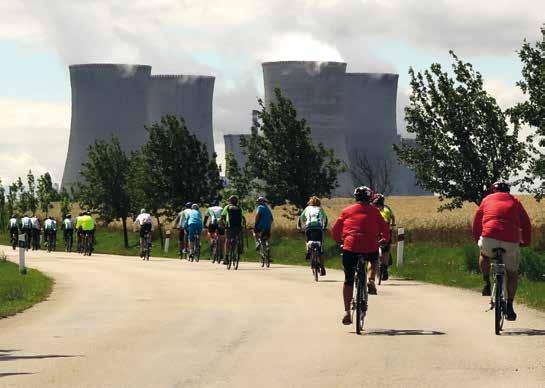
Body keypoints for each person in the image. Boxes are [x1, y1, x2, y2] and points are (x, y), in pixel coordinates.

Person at [472, 181, 531, 321]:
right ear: (508, 191)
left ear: (493, 190)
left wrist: (477, 240)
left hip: (489, 237)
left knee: (484, 255)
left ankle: (486, 283)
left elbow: (476, 222)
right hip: (510, 240)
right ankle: (510, 305)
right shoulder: (515, 202)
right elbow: (526, 224)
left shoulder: (486, 200)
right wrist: (526, 242)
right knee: (512, 274)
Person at [332, 186, 390, 325]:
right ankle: (370, 280)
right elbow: (385, 229)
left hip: (350, 247)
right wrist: (384, 240)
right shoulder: (375, 211)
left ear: (356, 198)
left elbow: (335, 229)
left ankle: (346, 312)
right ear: (369, 198)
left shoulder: (346, 211)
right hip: (370, 246)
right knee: (374, 259)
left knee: (348, 279)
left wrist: (339, 240)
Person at [298, 196, 328, 276]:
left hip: (309, 227)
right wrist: (324, 227)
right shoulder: (320, 209)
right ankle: (322, 268)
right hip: (318, 228)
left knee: (307, 241)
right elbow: (325, 218)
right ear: (318, 203)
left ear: (310, 202)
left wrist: (299, 227)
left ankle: (308, 251)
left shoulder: (307, 208)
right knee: (321, 247)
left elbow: (301, 218)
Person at [372, 194, 396, 281]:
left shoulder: (371, 209)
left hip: (374, 232)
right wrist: (393, 224)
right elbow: (392, 218)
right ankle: (384, 268)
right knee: (386, 249)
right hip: (385, 231)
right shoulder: (387, 209)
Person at [221, 195, 246, 264]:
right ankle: (239, 249)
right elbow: (243, 218)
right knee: (238, 238)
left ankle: (226, 257)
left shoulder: (227, 207)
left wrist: (223, 225)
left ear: (230, 201)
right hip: (238, 227)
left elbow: (222, 217)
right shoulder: (240, 208)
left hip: (230, 226)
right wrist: (243, 226)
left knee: (228, 240)